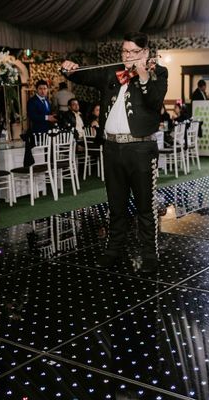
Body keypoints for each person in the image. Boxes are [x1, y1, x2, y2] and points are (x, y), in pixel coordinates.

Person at [61, 31, 168, 273]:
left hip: (140, 148)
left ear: (146, 53)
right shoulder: (112, 72)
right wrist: (69, 69)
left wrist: (142, 75)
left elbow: (154, 101)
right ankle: (113, 249)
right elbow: (84, 75)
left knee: (145, 206)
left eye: (133, 52)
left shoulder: (158, 72)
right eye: (125, 51)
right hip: (111, 148)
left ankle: (149, 254)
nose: (128, 56)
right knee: (115, 205)